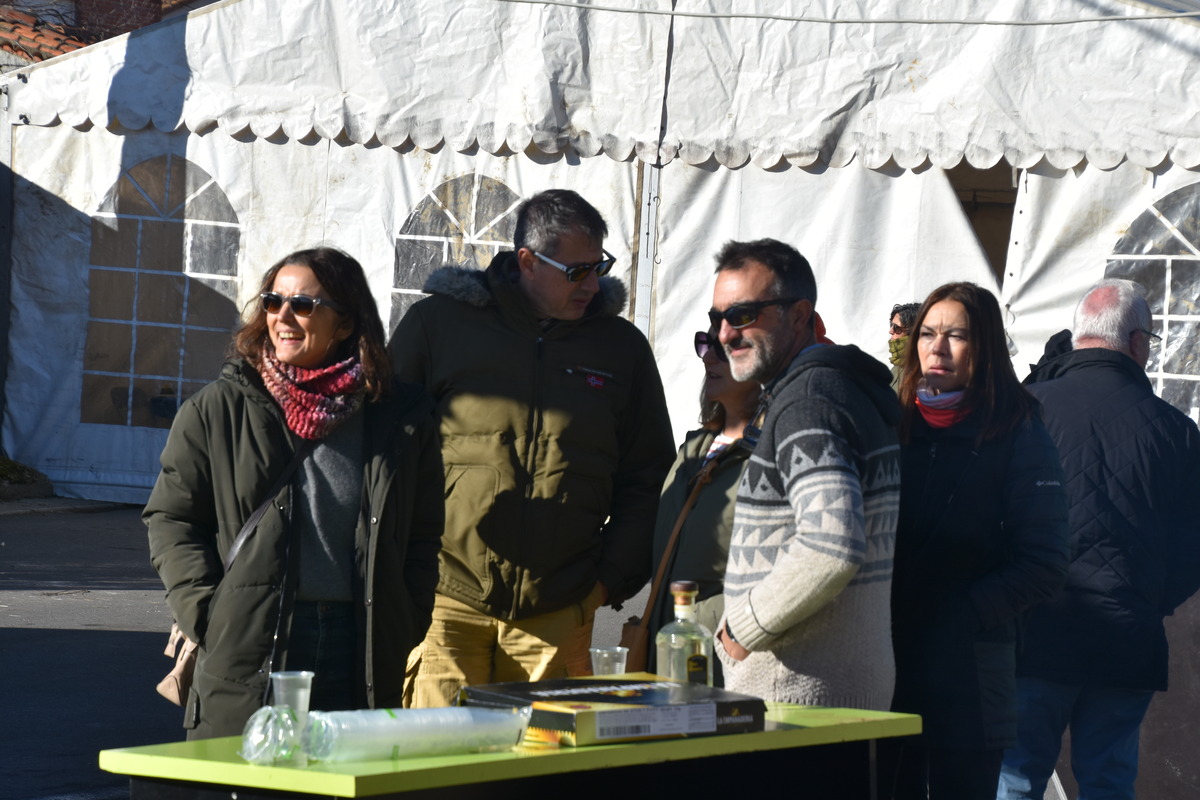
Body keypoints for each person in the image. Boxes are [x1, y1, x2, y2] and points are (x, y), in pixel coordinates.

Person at [390, 189, 674, 707]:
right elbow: (385, 452)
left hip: (559, 610)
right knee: (438, 772)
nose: (593, 283)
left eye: (600, 266)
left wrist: (603, 587)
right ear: (527, 261)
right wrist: (406, 574)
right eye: (577, 271)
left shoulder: (621, 349)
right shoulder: (439, 327)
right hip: (446, 604)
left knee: (544, 771)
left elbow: (648, 477)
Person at [145, 247, 444, 739]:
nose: (282, 317)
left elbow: (424, 530)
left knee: (342, 783)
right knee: (245, 784)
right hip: (249, 636)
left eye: (303, 305)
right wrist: (208, 614)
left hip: (361, 640)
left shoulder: (400, 416)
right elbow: (172, 518)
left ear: (345, 323)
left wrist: (405, 618)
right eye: (272, 301)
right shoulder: (219, 407)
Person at [998, 279, 1200, 800]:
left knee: (1016, 780)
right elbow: (1192, 548)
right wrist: (1148, 598)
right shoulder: (1177, 431)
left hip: (1032, 634)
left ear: (1080, 334)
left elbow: (990, 521)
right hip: (1126, 641)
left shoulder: (1022, 410)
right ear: (1137, 343)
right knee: (1109, 783)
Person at [885, 282, 1069, 799]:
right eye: (927, 333)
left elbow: (1045, 561)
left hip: (969, 675)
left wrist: (963, 613)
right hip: (887, 664)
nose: (936, 348)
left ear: (984, 346)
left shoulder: (1018, 432)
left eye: (956, 335)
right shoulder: (893, 424)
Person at [710, 238, 900, 710]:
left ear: (798, 316)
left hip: (796, 696)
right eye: (718, 318)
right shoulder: (834, 390)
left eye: (742, 315)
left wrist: (742, 628)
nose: (724, 334)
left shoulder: (809, 400)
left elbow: (830, 546)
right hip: (831, 689)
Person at [644, 328, 762, 686]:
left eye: (725, 347)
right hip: (668, 652)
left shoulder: (771, 457)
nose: (708, 356)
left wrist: (728, 634)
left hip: (724, 664)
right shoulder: (694, 448)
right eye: (706, 343)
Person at [888, 302, 921, 392]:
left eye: (896, 327)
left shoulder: (923, 373)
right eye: (891, 325)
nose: (890, 331)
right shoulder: (898, 365)